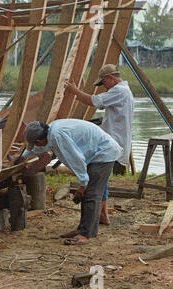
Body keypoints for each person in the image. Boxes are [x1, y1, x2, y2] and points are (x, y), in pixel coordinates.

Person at [22, 119, 123, 245]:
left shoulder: (58, 135)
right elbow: (35, 150)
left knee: (91, 193)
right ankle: (81, 229)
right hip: (94, 154)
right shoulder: (49, 132)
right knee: (88, 194)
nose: (37, 146)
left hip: (104, 153)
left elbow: (76, 158)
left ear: (39, 140)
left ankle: (85, 235)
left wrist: (83, 183)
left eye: (36, 144)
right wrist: (21, 158)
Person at [64, 64, 134, 225]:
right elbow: (99, 103)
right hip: (113, 140)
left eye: (103, 83)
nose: (104, 87)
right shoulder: (121, 91)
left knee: (98, 176)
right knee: (102, 177)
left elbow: (93, 101)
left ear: (111, 78)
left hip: (113, 142)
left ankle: (101, 215)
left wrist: (74, 91)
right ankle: (102, 214)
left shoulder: (119, 91)